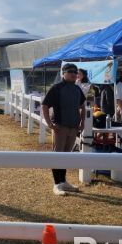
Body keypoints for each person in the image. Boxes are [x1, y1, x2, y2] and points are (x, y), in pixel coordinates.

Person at [41, 63, 85, 196]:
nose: (73, 74)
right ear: (63, 73)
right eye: (70, 71)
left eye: (75, 72)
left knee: (67, 155)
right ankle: (57, 184)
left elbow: (83, 106)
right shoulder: (57, 88)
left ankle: (63, 181)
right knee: (57, 154)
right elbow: (45, 105)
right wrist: (49, 123)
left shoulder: (77, 89)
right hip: (60, 127)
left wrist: (83, 121)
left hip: (73, 127)